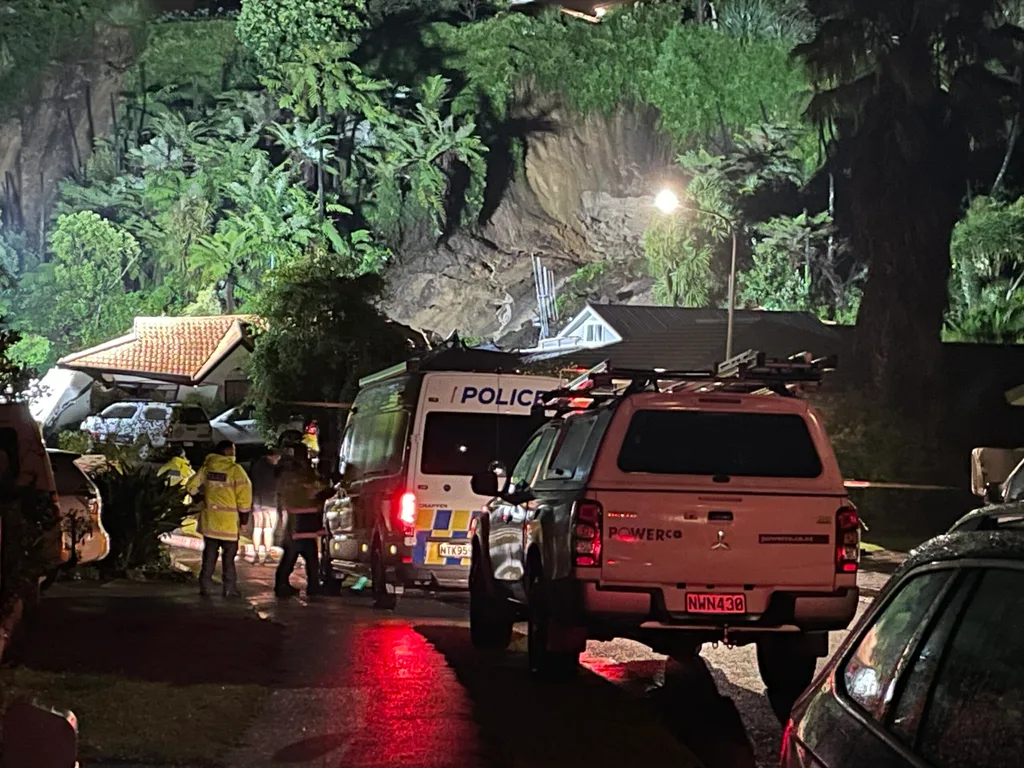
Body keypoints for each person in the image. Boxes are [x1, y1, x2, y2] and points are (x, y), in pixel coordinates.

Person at [187, 441, 253, 598]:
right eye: (233, 449)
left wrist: (200, 498)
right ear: (227, 451)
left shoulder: (208, 467)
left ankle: (205, 587)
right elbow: (244, 498)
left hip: (210, 522)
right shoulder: (235, 470)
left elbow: (190, 486)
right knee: (228, 559)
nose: (235, 452)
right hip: (229, 525)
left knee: (209, 556)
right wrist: (244, 521)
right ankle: (229, 589)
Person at [275, 442, 332, 598]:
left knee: (298, 556)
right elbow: (315, 488)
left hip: (299, 520)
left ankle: (287, 585)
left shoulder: (288, 471)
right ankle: (306, 585)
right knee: (303, 555)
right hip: (303, 519)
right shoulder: (300, 472)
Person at [248, 446, 281, 564]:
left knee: (257, 528)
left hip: (257, 502)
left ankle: (256, 555)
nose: (278, 459)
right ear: (272, 456)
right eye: (277, 457)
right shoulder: (274, 469)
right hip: (270, 502)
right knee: (268, 530)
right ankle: (267, 555)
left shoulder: (256, 467)